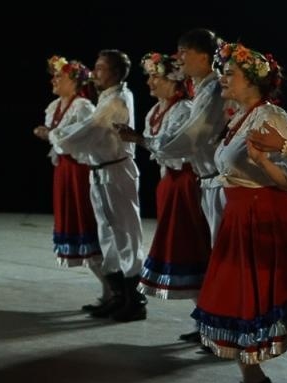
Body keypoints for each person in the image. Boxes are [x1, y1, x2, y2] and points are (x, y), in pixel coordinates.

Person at [191, 43, 287, 383]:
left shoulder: (272, 118)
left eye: (230, 73)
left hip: (267, 218)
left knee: (278, 299)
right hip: (238, 217)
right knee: (233, 297)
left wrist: (265, 164)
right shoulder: (239, 118)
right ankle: (252, 378)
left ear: (252, 81)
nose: (222, 77)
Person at [46, 50, 145, 321]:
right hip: (100, 170)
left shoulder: (117, 99)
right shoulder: (107, 97)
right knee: (108, 235)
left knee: (125, 234)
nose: (95, 72)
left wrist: (56, 136)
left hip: (116, 170)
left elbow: (91, 129)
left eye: (100, 68)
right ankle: (118, 296)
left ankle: (134, 300)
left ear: (113, 72)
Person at [147, 29, 229, 343]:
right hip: (205, 182)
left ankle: (220, 330)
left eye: (185, 51)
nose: (179, 58)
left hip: (215, 183)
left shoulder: (212, 91)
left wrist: (150, 144)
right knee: (208, 255)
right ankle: (210, 326)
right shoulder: (202, 90)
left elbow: (193, 137)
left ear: (205, 56)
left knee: (217, 258)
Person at [117, 53, 210, 301]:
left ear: (174, 79)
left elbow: (173, 146)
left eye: (155, 77)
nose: (150, 82)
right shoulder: (156, 111)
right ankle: (201, 317)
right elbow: (158, 147)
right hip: (169, 181)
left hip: (185, 182)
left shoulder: (183, 109)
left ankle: (206, 315)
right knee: (180, 245)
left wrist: (138, 139)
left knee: (190, 245)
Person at [34, 57, 102, 281]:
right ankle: (108, 289)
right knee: (73, 224)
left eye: (59, 77)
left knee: (86, 224)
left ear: (74, 81)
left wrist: (49, 134)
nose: (54, 80)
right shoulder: (55, 106)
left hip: (79, 171)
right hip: (63, 169)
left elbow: (76, 137)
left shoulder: (82, 106)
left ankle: (112, 287)